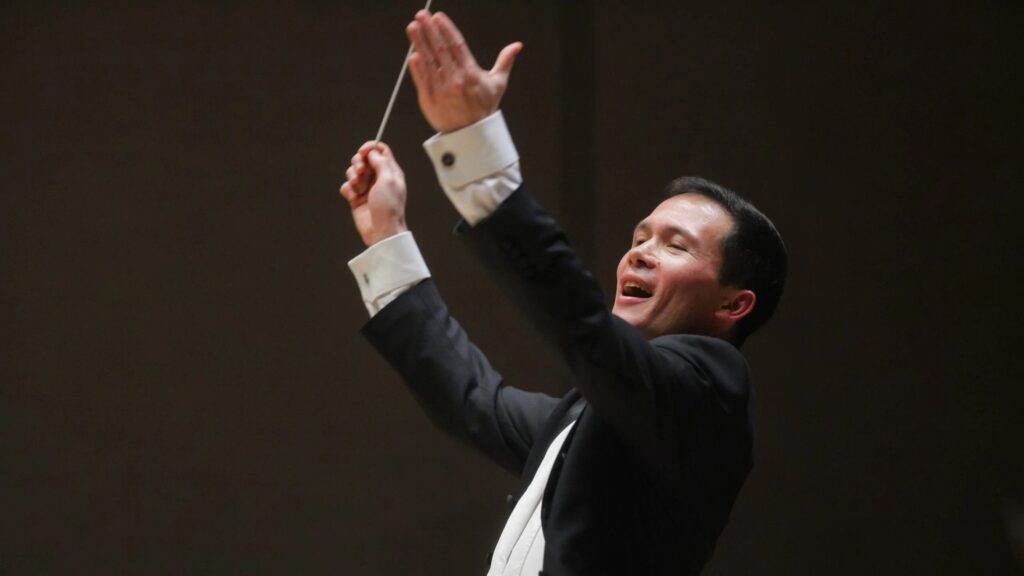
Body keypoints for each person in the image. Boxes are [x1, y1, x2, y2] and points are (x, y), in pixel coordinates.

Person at [339, 10, 787, 576]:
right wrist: (388, 239)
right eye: (640, 237)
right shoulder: (604, 415)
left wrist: (475, 147)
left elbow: (584, 330)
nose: (640, 252)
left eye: (676, 246)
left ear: (732, 304)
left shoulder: (711, 389)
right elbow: (474, 399)